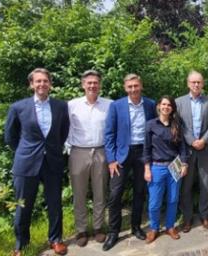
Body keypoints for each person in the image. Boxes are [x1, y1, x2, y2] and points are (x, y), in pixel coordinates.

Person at [4, 68, 70, 256]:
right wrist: (24, 152)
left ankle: (56, 239)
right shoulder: (18, 107)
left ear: (50, 84)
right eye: (38, 81)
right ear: (31, 84)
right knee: (23, 205)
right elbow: (10, 136)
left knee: (55, 203)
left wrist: (54, 148)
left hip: (52, 161)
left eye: (45, 81)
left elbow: (63, 132)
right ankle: (21, 244)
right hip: (26, 163)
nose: (42, 84)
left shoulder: (60, 106)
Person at [102, 74, 157, 251]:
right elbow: (109, 134)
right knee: (115, 194)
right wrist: (111, 159)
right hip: (121, 156)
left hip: (143, 153)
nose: (133, 89)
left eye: (136, 86)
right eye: (129, 87)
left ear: (141, 86)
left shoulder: (150, 104)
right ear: (125, 88)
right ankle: (113, 232)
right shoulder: (116, 106)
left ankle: (136, 227)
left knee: (140, 192)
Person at [66, 70, 112, 246]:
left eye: (95, 82)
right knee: (79, 193)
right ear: (83, 84)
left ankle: (99, 227)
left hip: (101, 151)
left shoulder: (109, 105)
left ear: (100, 85)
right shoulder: (72, 105)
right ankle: (81, 230)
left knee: (100, 191)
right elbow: (65, 127)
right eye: (89, 82)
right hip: (78, 152)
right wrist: (67, 147)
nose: (92, 85)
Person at [143, 96, 189, 243]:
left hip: (174, 166)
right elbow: (146, 149)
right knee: (155, 202)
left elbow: (182, 147)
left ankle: (170, 227)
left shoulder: (176, 125)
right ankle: (154, 228)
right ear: (158, 106)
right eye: (163, 104)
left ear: (172, 108)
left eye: (169, 105)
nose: (166, 107)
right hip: (156, 167)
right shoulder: (150, 125)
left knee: (173, 199)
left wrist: (184, 164)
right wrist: (147, 169)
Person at [176, 70, 208, 232]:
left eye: (199, 82)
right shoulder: (179, 102)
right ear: (188, 84)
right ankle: (187, 219)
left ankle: (204, 216)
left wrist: (203, 140)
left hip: (205, 149)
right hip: (186, 151)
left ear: (203, 84)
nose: (196, 85)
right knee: (185, 186)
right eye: (193, 82)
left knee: (205, 185)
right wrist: (192, 141)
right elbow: (179, 125)